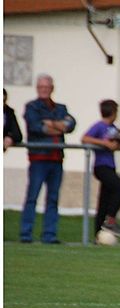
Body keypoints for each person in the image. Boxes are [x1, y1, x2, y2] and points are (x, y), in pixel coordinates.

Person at [20, 73, 75, 244]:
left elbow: (70, 125)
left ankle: (49, 234)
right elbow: (36, 127)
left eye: (47, 87)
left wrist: (50, 123)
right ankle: (26, 234)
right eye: (41, 87)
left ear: (52, 88)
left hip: (56, 159)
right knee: (32, 196)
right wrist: (58, 126)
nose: (44, 90)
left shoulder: (60, 108)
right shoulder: (32, 107)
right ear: (37, 88)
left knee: (53, 198)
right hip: (39, 158)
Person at [81, 99, 120, 238]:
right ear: (113, 112)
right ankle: (111, 219)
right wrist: (104, 143)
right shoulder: (99, 126)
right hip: (101, 166)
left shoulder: (113, 128)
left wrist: (117, 143)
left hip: (111, 166)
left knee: (104, 199)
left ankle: (98, 234)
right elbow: (85, 138)